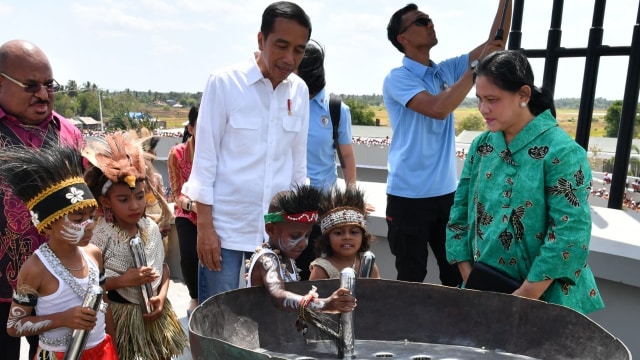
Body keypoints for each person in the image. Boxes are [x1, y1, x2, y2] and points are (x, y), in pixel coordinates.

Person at [446, 50, 605, 314]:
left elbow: (570, 233)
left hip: (546, 299)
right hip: (482, 291)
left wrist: (524, 296)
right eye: (480, 100)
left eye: (492, 100)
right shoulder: (482, 146)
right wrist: (471, 278)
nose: (483, 109)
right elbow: (459, 213)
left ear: (523, 95)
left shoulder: (561, 151)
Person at [182, 1, 312, 304]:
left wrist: (297, 231)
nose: (289, 58)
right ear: (260, 40)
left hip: (276, 233)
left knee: (272, 320)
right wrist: (205, 229)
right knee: (220, 317)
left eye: (299, 49)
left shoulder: (300, 91)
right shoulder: (225, 83)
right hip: (225, 230)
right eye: (281, 45)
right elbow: (205, 161)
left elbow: (297, 167)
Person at [382, 2, 511, 285]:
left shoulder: (443, 71)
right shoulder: (398, 78)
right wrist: (476, 68)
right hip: (408, 198)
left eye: (428, 18)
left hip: (446, 196)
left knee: (456, 274)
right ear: (403, 39)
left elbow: (495, 44)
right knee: (411, 278)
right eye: (420, 21)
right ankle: (408, 332)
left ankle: (453, 331)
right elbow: (439, 107)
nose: (430, 23)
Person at [0, 39, 84, 360]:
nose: (43, 94)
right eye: (30, 85)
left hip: (56, 289)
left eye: (49, 85)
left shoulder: (69, 133)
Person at [0, 145, 117, 359]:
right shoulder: (35, 269)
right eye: (78, 219)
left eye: (92, 216)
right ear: (49, 224)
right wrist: (62, 319)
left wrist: (114, 346)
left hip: (102, 350)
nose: (89, 225)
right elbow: (13, 325)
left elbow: (104, 304)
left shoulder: (94, 254)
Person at [84, 131, 188, 360]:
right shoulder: (101, 237)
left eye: (140, 197)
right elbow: (90, 287)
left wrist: (161, 296)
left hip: (156, 313)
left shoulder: (150, 228)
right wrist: (123, 281)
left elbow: (163, 269)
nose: (134, 205)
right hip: (121, 317)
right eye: (123, 199)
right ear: (105, 201)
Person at [295, 40, 358, 280]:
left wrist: (352, 197)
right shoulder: (285, 100)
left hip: (322, 206)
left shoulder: (335, 108)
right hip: (291, 204)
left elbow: (347, 157)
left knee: (317, 273)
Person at [246, 184, 356, 314]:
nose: (303, 243)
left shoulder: (287, 259)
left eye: (307, 235)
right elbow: (278, 296)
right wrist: (324, 304)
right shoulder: (267, 259)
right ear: (270, 229)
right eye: (295, 236)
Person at [167, 105, 199, 316]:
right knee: (188, 254)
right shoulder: (177, 154)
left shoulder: (221, 153)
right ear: (191, 128)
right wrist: (194, 206)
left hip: (215, 214)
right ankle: (195, 297)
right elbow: (177, 193)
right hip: (187, 212)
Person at [309, 187, 380, 280]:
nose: (347, 237)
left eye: (354, 232)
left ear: (363, 236)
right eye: (338, 233)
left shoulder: (368, 263)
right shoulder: (321, 269)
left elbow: (379, 292)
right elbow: (313, 294)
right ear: (327, 238)